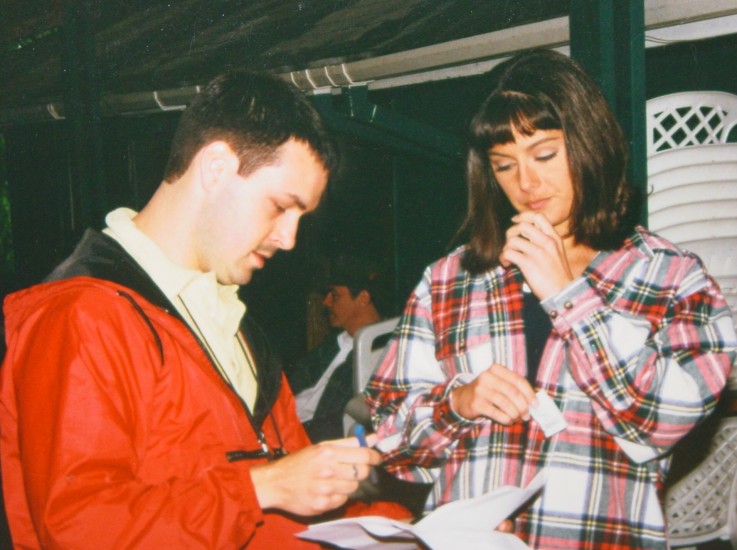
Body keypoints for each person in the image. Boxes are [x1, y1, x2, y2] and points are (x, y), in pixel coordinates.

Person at [0, 71, 407, 549]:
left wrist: (412, 532)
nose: (289, 239)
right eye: (280, 207)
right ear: (215, 167)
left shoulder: (238, 329)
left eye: (301, 218)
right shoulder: (81, 316)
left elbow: (295, 504)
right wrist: (264, 486)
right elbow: (80, 530)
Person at [365, 49, 737, 549]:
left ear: (589, 143)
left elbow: (665, 422)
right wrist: (459, 402)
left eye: (544, 155)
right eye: (504, 165)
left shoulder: (670, 275)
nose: (527, 183)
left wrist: (570, 296)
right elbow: (388, 443)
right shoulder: (449, 280)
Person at [288, 255, 387, 442]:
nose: (326, 302)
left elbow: (346, 421)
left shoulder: (378, 353)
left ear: (363, 298)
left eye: (335, 295)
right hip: (283, 423)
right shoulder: (334, 343)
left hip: (309, 438)